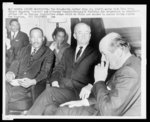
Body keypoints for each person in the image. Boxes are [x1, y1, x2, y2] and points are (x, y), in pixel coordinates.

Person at [55, 32, 141, 116]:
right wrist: (84, 102)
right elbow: (110, 97)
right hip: (101, 106)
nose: (103, 59)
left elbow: (108, 112)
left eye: (104, 54)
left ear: (119, 52)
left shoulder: (129, 72)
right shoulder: (131, 65)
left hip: (105, 112)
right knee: (58, 108)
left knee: (62, 111)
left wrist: (99, 81)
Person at [26, 22, 100, 115]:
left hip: (80, 92)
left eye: (87, 33)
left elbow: (104, 75)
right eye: (80, 32)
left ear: (90, 35)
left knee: (49, 92)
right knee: (49, 109)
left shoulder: (97, 53)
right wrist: (55, 80)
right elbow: (59, 68)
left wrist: (90, 85)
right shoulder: (68, 51)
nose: (84, 36)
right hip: (63, 89)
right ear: (74, 35)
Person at [5, 27, 54, 114]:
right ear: (29, 39)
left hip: (29, 87)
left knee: (4, 93)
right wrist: (10, 73)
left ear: (43, 38)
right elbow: (15, 62)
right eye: (33, 37)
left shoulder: (49, 53)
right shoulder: (24, 49)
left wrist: (33, 81)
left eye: (38, 37)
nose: (36, 40)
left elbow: (45, 72)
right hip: (15, 82)